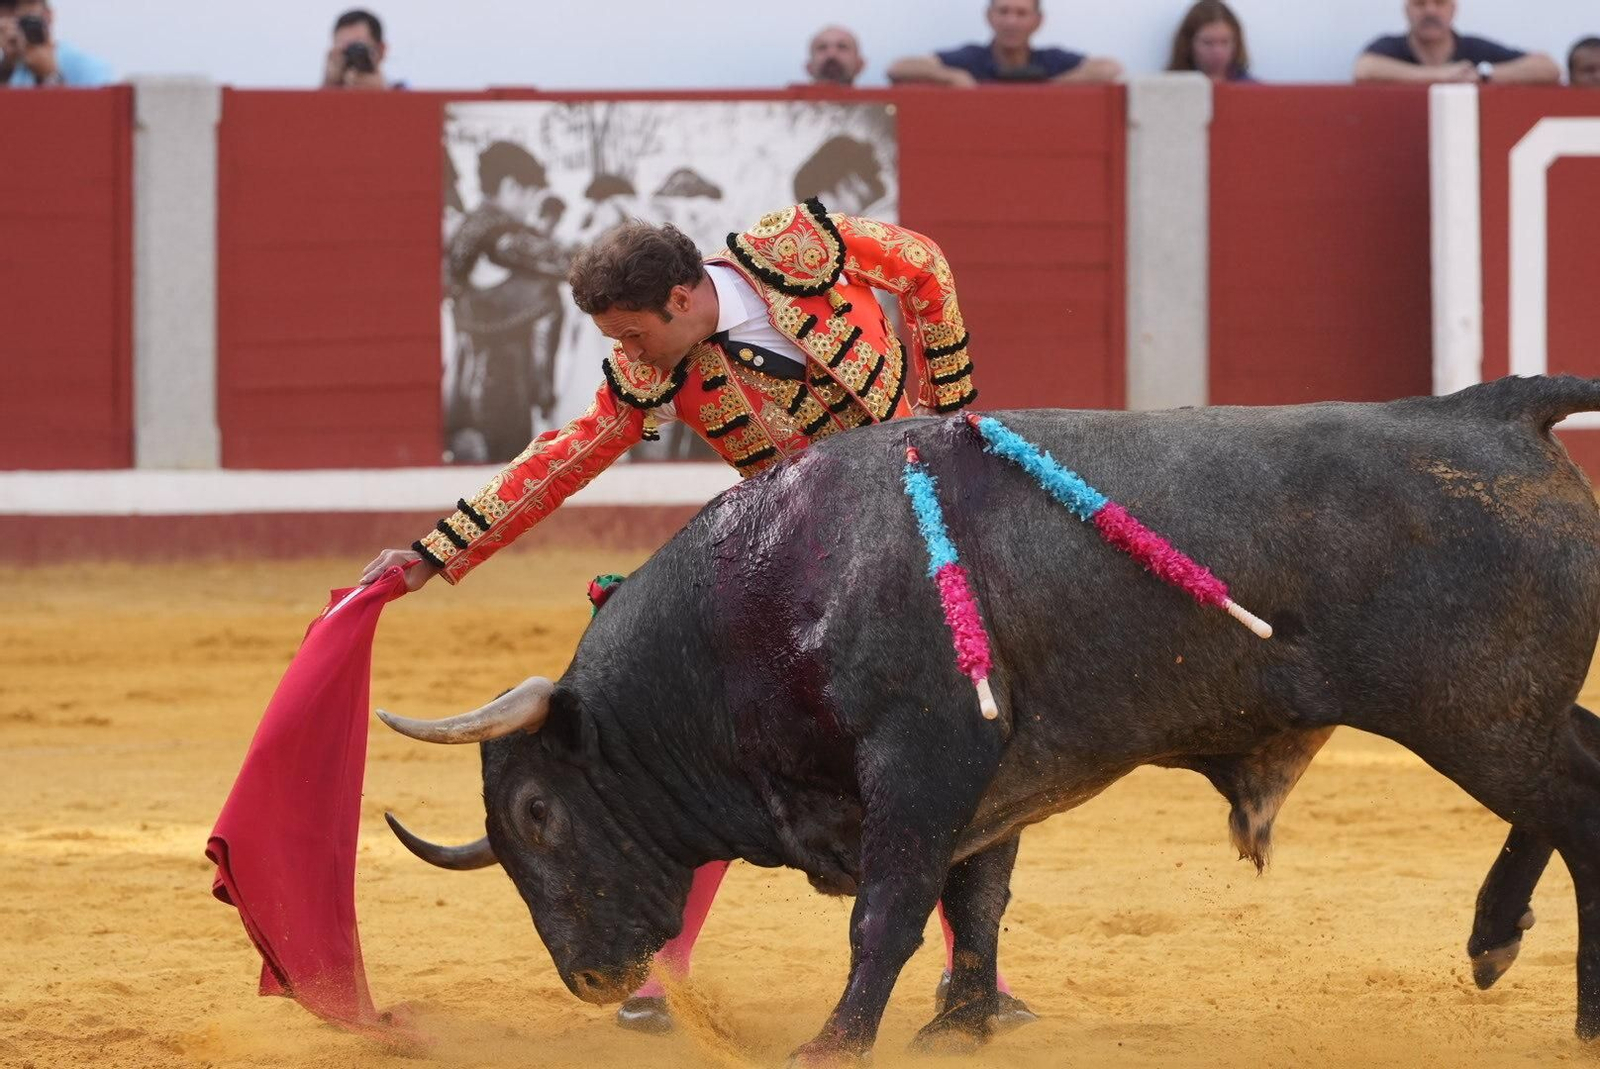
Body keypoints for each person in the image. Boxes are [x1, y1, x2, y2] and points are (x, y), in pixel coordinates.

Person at [361, 200, 1026, 1034]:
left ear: (681, 299)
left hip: (924, 536)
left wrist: (948, 417)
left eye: (632, 333)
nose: (627, 352)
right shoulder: (655, 374)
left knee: (952, 738)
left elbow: (923, 266)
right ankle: (661, 975)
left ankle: (975, 977)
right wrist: (435, 551)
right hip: (811, 561)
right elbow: (563, 459)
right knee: (705, 734)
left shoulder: (798, 248)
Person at [443, 141, 571, 462]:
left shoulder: (471, 227)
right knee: (506, 469)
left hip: (469, 370)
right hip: (502, 379)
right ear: (511, 186)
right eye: (531, 195)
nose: (530, 209)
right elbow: (567, 261)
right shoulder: (501, 236)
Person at [887, 0, 1121, 86]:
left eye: (1021, 13)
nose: (1011, 21)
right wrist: (951, 77)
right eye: (1004, 11)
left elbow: (1110, 68)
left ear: (1038, 21)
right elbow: (898, 68)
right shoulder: (971, 58)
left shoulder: (1052, 60)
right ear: (989, 16)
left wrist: (1055, 86)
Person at [1353, 0, 1560, 84]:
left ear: (1453, 10)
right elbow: (1364, 69)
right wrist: (1440, 75)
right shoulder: (1390, 46)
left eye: (1439, 3)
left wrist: (1483, 74)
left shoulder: (1475, 48)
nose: (1430, 11)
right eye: (1420, 4)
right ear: (1407, 11)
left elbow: (1548, 68)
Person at [0, 0, 110, 87]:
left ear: (48, 14)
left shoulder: (87, 67)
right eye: (9, 8)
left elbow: (100, 106)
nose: (18, 14)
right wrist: (6, 69)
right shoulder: (6, 66)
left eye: (28, 4)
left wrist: (50, 75)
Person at [1166, 0, 1254, 82]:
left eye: (1225, 42)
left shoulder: (1253, 88)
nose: (1217, 52)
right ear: (1188, 44)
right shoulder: (1167, 85)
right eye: (1208, 42)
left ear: (1236, 43)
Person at [321, 8, 398, 91]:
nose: (351, 55)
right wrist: (329, 85)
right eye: (344, 50)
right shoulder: (324, 90)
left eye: (358, 47)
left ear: (381, 50)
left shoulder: (402, 91)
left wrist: (382, 93)